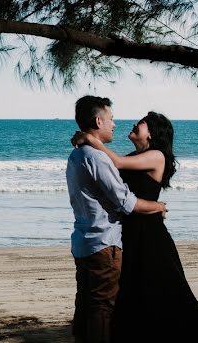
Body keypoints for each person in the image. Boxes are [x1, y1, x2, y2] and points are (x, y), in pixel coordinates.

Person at [73, 112, 198, 342]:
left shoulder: (156, 156)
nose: (134, 124)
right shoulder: (134, 156)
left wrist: (92, 140)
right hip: (128, 232)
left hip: (150, 236)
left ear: (152, 134)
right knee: (132, 294)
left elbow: (115, 162)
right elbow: (110, 173)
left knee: (160, 292)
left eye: (141, 123)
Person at [66, 96, 167, 343]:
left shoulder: (78, 155)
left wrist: (88, 139)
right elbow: (125, 202)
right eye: (111, 119)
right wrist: (158, 206)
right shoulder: (98, 158)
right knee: (101, 308)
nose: (115, 124)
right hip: (104, 241)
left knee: (88, 305)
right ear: (98, 120)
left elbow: (118, 168)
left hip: (87, 240)